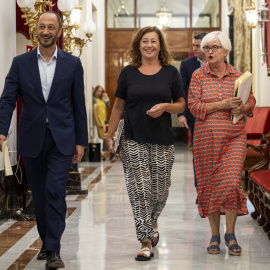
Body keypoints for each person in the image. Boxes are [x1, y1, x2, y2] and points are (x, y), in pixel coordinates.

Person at [0, 11, 88, 269]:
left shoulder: (72, 64)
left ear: (59, 32)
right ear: (36, 30)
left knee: (54, 192)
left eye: (51, 27)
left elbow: (78, 105)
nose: (46, 31)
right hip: (32, 138)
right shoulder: (20, 62)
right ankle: (48, 242)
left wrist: (80, 140)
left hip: (62, 138)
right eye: (42, 26)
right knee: (38, 196)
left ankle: (53, 250)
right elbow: (7, 100)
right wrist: (2, 130)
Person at [106, 26, 185, 261]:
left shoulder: (170, 73)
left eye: (153, 41)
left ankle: (151, 223)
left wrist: (166, 107)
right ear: (138, 45)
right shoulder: (128, 73)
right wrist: (109, 135)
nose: (149, 45)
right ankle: (145, 240)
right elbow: (118, 106)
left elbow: (181, 104)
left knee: (160, 190)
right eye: (144, 41)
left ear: (160, 46)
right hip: (133, 138)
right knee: (139, 190)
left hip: (162, 139)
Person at [188, 31, 256, 256]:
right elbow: (194, 107)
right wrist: (222, 104)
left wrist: (243, 108)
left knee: (231, 182)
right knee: (209, 186)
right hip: (206, 141)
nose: (209, 52)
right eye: (206, 48)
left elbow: (251, 100)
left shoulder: (238, 76)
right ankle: (215, 235)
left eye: (214, 48)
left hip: (234, 138)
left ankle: (231, 233)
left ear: (226, 51)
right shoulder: (198, 76)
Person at [177, 32, 207, 204]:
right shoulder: (187, 64)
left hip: (216, 116)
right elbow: (182, 91)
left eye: (197, 46)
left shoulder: (218, 62)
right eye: (193, 45)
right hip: (194, 116)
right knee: (199, 154)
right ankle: (200, 191)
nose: (194, 49)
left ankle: (215, 190)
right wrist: (181, 114)